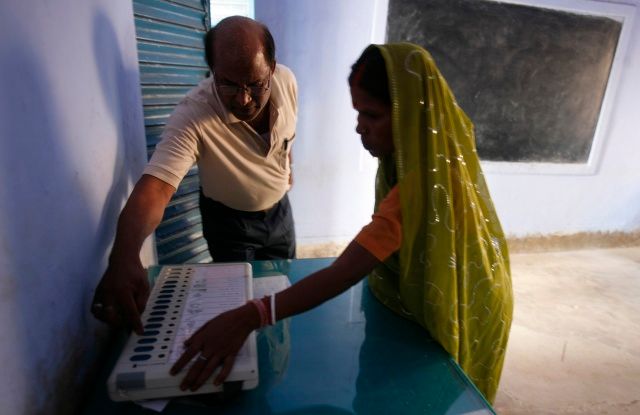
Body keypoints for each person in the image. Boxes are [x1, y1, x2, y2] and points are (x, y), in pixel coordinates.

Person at [169, 43, 513, 404]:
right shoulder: (415, 156)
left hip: (473, 298)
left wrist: (252, 315)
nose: (359, 128)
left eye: (372, 115)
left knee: (431, 396)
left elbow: (347, 270)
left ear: (411, 115)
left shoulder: (424, 187)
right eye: (357, 114)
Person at [91, 16, 298, 334]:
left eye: (255, 84)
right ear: (212, 71)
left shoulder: (287, 81)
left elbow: (287, 135)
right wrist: (124, 253)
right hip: (231, 227)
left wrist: (287, 167)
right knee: (239, 313)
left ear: (272, 67)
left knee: (281, 296)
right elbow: (157, 189)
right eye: (228, 83)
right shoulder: (192, 115)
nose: (243, 99)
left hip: (280, 214)